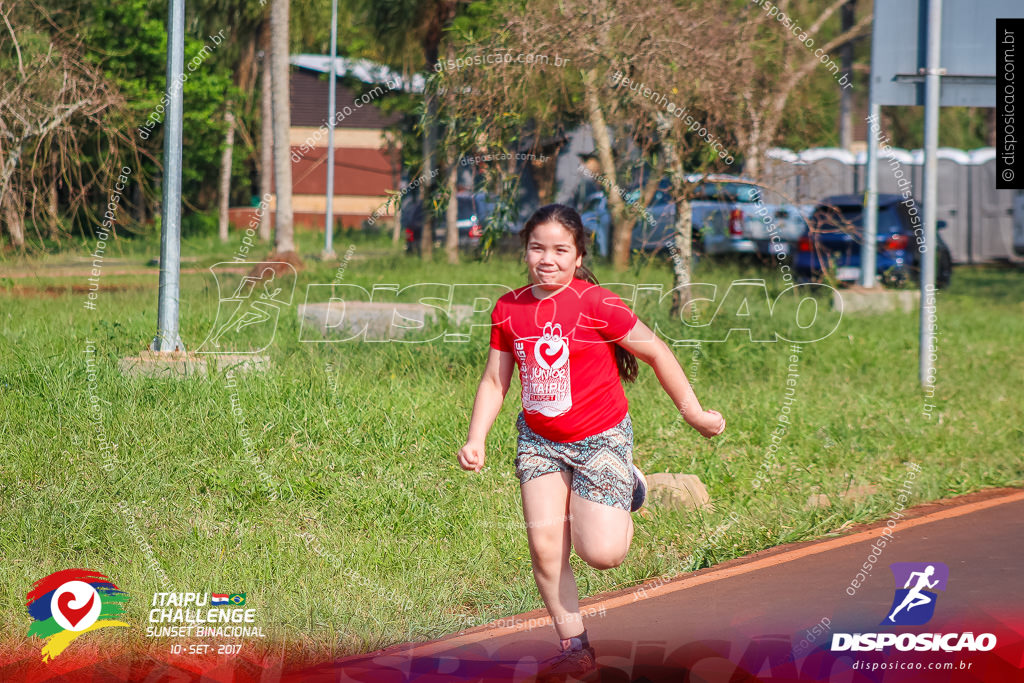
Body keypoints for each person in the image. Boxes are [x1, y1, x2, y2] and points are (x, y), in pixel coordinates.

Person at [456, 203, 725, 678]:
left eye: (561, 250)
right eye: (538, 247)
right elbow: (495, 382)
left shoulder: (597, 303)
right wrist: (476, 437)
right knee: (545, 546)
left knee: (602, 555)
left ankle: (632, 486)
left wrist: (696, 415)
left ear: (578, 256)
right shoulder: (509, 307)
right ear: (525, 250)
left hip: (601, 438)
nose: (548, 258)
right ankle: (574, 645)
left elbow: (658, 353)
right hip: (539, 441)